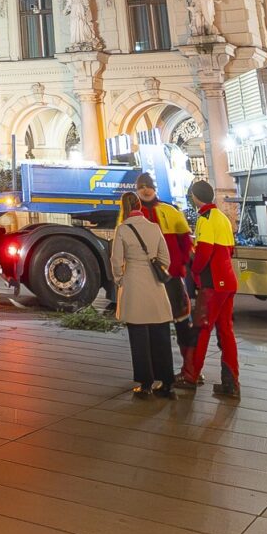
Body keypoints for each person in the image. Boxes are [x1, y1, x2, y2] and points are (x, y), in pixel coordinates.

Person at [111, 170, 181, 396]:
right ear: (139, 206)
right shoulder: (153, 227)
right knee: (161, 334)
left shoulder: (123, 229)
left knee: (139, 337)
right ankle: (167, 382)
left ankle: (146, 384)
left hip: (133, 286)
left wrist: (119, 279)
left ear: (124, 208)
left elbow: (116, 260)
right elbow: (165, 259)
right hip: (156, 287)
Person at [177, 178, 240, 397]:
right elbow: (230, 250)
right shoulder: (222, 217)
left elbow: (204, 252)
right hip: (228, 282)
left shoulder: (205, 219)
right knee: (226, 331)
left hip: (212, 284)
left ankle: (190, 376)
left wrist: (194, 270)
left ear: (195, 198)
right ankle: (231, 383)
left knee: (201, 329)